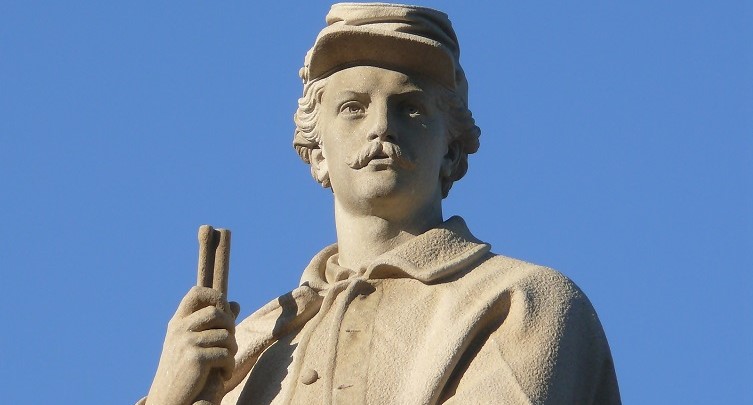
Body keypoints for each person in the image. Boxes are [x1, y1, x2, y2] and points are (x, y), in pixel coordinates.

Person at [141, 3, 621, 404]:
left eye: (410, 107)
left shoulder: (521, 301)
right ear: (317, 150)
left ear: (451, 148)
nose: (381, 127)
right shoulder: (249, 347)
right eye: (353, 108)